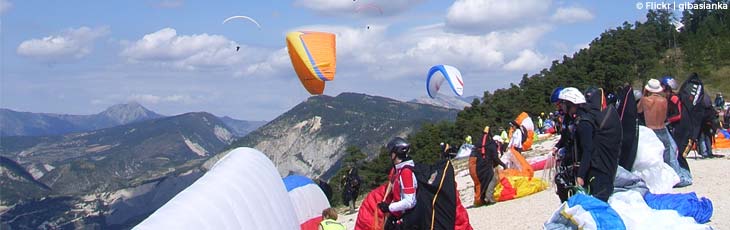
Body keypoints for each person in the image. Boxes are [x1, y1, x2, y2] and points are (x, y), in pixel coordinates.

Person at [561, 87, 622, 202]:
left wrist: (581, 175)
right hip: (593, 168)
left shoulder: (584, 123)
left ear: (570, 104)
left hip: (596, 171)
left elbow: (587, 150)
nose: (561, 106)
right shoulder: (580, 119)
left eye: (563, 103)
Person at [637, 79, 683, 181]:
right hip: (662, 129)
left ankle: (656, 179)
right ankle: (669, 177)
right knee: (666, 157)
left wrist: (644, 94)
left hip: (651, 130)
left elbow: (638, 110)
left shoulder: (645, 100)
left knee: (651, 158)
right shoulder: (664, 101)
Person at [378, 137, 418, 229]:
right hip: (401, 216)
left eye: (390, 153)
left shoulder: (406, 172)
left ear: (394, 154)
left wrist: (389, 207)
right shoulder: (400, 170)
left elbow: (410, 201)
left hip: (407, 220)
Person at [470, 126, 507, 207]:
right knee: (494, 179)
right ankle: (489, 197)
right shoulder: (491, 144)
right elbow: (495, 158)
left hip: (475, 167)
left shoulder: (478, 144)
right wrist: (503, 165)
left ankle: (482, 199)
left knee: (482, 182)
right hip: (484, 167)